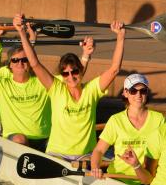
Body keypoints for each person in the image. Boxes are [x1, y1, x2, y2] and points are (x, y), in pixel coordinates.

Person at [14, 13, 123, 160]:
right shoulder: (56, 89)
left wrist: (120, 37)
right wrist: (21, 32)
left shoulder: (92, 90)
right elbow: (34, 63)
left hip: (85, 156)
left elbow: (114, 69)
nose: (71, 77)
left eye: (74, 72)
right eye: (65, 74)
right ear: (62, 76)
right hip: (57, 155)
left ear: (81, 70)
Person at [0, 36, 50, 150]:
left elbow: (72, 79)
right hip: (17, 140)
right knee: (20, 139)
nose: (20, 63)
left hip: (43, 140)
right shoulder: (1, 85)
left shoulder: (43, 82)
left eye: (24, 60)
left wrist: (85, 56)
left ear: (30, 62)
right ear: (10, 65)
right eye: (15, 60)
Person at [89, 74, 166, 185]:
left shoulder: (159, 119)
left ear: (147, 92)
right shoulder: (116, 120)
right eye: (133, 91)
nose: (138, 95)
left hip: (147, 179)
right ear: (125, 93)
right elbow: (99, 150)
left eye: (143, 91)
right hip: (119, 179)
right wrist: (95, 168)